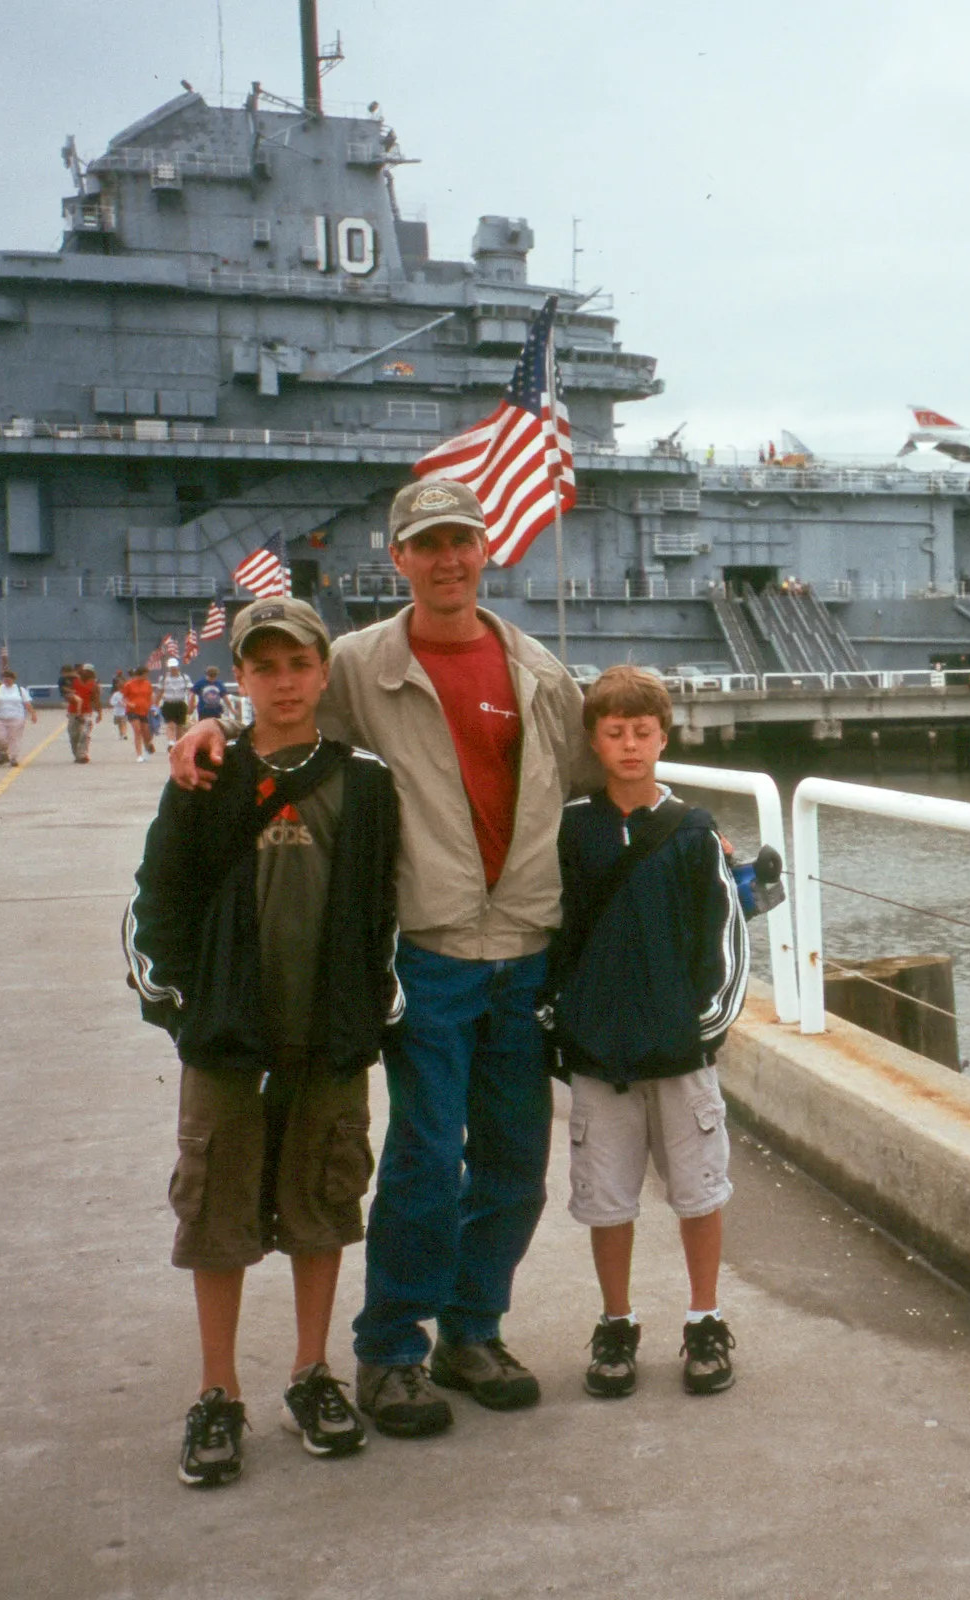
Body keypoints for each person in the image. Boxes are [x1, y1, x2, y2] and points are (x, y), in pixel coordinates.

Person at [171, 477, 599, 1440]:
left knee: (512, 1168)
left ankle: (473, 1331)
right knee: (418, 1157)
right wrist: (209, 729)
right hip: (428, 949)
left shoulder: (537, 669)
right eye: (428, 543)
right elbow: (287, 724)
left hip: (525, 947)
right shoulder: (359, 665)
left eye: (463, 540)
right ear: (399, 558)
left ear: (485, 550)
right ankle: (392, 1349)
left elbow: (586, 781)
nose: (449, 559)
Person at [125, 596, 402, 1488]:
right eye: (264, 666)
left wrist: (372, 1006)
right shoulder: (205, 774)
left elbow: (385, 909)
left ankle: (311, 1372)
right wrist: (181, 1008)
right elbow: (155, 897)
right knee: (216, 1215)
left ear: (325, 672)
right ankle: (218, 1391)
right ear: (237, 678)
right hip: (229, 1040)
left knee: (321, 1205)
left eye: (299, 664)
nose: (284, 682)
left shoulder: (365, 780)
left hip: (328, 1035)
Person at [548, 667, 750, 1398]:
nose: (630, 745)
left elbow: (724, 937)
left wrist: (703, 1027)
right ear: (594, 741)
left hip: (679, 1052)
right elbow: (554, 933)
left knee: (699, 1193)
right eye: (614, 732)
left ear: (663, 737)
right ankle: (616, 1321)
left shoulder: (694, 832)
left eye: (642, 731)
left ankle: (704, 1318)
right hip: (601, 1056)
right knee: (608, 1200)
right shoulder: (570, 830)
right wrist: (562, 1022)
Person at [0, 668, 35, 764]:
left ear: (13, 679)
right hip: (0, 717)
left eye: (9, 678)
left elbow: (27, 703)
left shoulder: (19, 690)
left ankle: (13, 757)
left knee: (14, 738)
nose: (7, 680)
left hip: (16, 717)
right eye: (5, 678)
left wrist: (33, 713)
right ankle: (3, 751)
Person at [66, 665, 99, 763]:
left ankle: (82, 755)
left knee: (84, 733)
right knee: (74, 735)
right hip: (73, 712)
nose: (86, 673)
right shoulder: (72, 682)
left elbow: (96, 699)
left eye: (89, 671)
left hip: (86, 712)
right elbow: (66, 694)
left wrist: (99, 713)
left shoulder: (93, 684)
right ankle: (77, 754)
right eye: (85, 671)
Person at [123, 668, 156, 761]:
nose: (147, 677)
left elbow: (150, 697)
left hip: (144, 711)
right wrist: (129, 704)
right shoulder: (129, 685)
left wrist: (152, 707)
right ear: (140, 675)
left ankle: (147, 749)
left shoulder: (147, 684)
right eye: (145, 675)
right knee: (137, 731)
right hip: (132, 710)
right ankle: (139, 755)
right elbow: (124, 698)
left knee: (146, 732)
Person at [160, 657, 194, 738]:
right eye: (171, 667)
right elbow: (160, 691)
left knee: (180, 726)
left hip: (180, 703)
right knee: (170, 725)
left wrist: (192, 704)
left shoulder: (185, 677)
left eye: (174, 667)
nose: (173, 669)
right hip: (168, 703)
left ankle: (178, 744)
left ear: (178, 667)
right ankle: (171, 742)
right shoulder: (164, 678)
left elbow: (191, 692)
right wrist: (155, 705)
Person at [110, 673, 130, 741]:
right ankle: (121, 734)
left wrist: (126, 704)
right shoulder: (116, 694)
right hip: (117, 712)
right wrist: (117, 703)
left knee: (124, 723)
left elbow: (129, 701)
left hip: (124, 712)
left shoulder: (126, 694)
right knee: (119, 724)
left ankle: (124, 734)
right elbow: (112, 702)